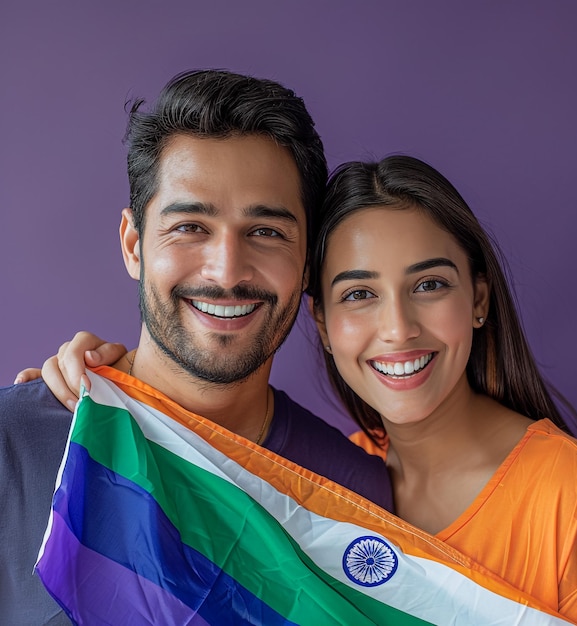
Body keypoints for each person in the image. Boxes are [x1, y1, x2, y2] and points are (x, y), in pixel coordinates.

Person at [37, 155, 577, 624]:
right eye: (358, 294)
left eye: (428, 284)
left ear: (477, 299)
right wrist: (109, 386)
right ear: (321, 323)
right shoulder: (331, 477)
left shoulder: (571, 494)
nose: (397, 329)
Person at [0, 69, 392, 625]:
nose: (227, 271)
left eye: (266, 232)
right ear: (134, 245)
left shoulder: (358, 497)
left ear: (307, 264)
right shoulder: (10, 448)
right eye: (189, 227)